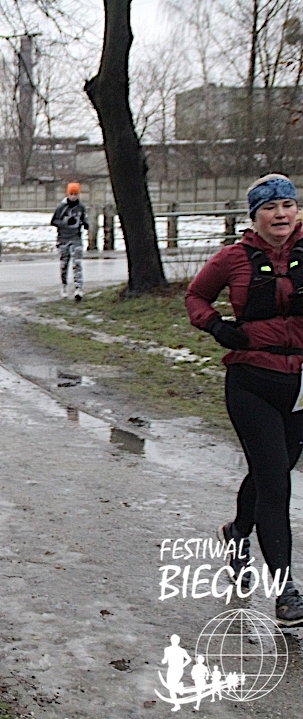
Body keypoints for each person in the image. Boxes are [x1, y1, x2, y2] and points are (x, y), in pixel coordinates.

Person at [186, 173, 303, 627]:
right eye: (270, 208)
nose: (280, 214)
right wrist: (216, 326)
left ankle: (237, 532)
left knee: (271, 470)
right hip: (252, 381)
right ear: (255, 217)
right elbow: (196, 296)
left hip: (299, 385)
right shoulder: (233, 258)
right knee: (276, 483)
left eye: (287, 205)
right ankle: (286, 592)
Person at [51, 182, 89, 301]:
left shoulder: (81, 207)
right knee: (64, 264)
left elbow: (84, 218)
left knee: (77, 263)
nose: (73, 196)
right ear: (67, 194)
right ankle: (64, 286)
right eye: (71, 194)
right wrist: (65, 222)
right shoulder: (61, 207)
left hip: (76, 238)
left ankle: (78, 288)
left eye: (75, 194)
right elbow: (53, 221)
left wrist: (85, 224)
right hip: (63, 239)